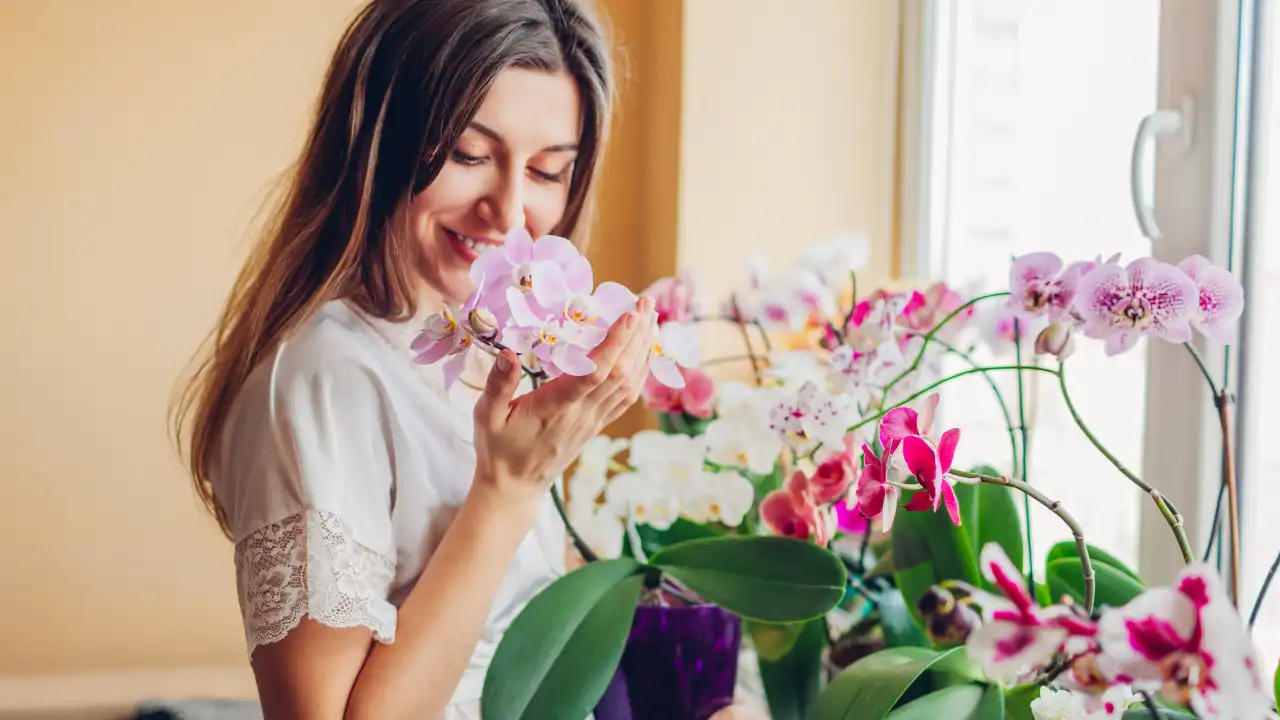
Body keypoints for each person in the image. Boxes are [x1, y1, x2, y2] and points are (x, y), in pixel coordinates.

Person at [171, 0, 659, 717]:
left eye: (551, 171)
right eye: (468, 156)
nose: (511, 211)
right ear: (377, 143)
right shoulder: (324, 379)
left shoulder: (481, 347)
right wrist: (508, 488)